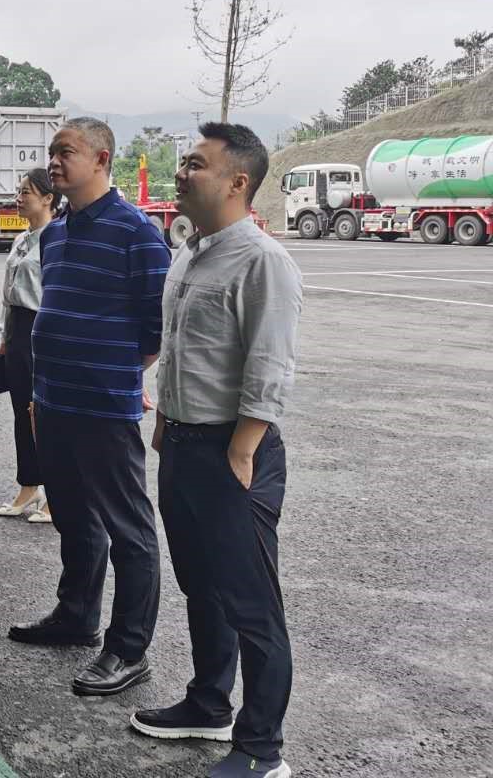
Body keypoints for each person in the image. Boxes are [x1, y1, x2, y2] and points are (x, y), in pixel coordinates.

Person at [130, 124, 303, 778]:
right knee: (201, 586)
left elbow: (270, 365)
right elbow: (182, 349)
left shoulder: (263, 261)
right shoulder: (189, 252)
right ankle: (208, 704)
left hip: (233, 450)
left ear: (237, 181)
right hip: (183, 443)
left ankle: (262, 749)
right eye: (183, 162)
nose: (181, 173)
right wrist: (167, 426)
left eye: (195, 164)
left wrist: (242, 449)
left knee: (251, 604)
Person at [6, 117, 170, 698]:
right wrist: (40, 395)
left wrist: (110, 374)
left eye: (66, 152)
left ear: (101, 159)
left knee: (128, 528)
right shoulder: (55, 233)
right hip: (53, 402)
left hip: (103, 407)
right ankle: (76, 617)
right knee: (74, 519)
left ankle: (128, 649)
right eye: (52, 152)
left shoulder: (137, 232)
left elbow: (156, 327)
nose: (54, 161)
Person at [0, 168, 60, 522]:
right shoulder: (22, 239)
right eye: (19, 192)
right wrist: (5, 336)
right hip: (18, 329)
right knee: (22, 411)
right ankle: (29, 485)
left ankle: (55, 494)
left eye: (26, 193)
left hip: (42, 328)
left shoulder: (56, 238)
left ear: (48, 198)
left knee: (45, 415)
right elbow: (8, 294)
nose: (18, 198)